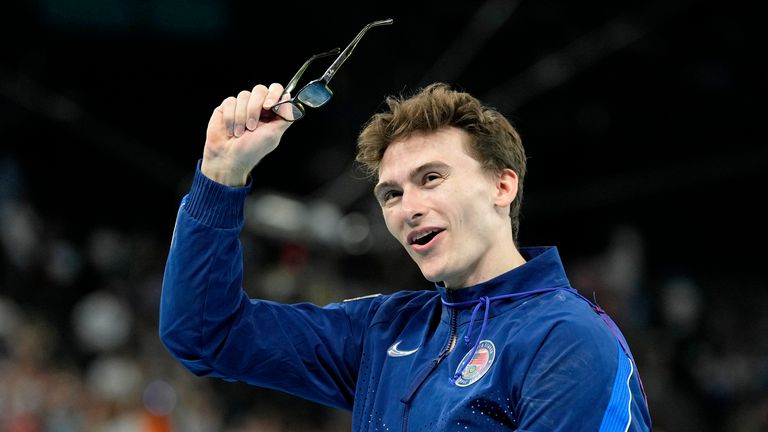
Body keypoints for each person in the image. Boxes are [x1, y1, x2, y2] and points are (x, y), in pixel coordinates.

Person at [159, 78, 653, 430]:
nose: (408, 208)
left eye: (431, 178)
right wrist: (221, 175)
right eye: (391, 194)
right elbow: (205, 333)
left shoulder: (569, 339)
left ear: (502, 186)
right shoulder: (386, 330)